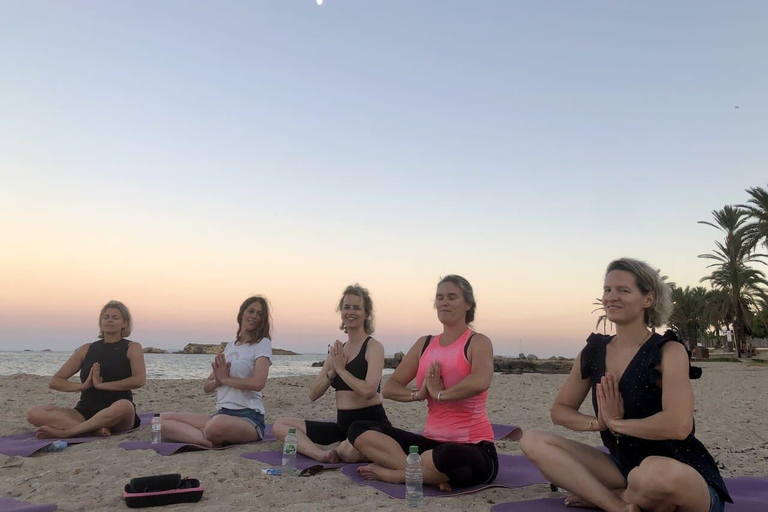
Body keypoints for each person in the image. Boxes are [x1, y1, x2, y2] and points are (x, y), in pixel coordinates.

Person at [520, 258, 732, 512]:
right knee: (532, 440)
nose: (612, 297)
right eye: (607, 290)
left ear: (648, 299)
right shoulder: (593, 351)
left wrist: (616, 424)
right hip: (622, 467)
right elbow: (560, 411)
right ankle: (616, 504)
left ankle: (612, 495)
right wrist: (597, 423)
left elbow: (679, 425)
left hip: (677, 471)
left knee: (650, 476)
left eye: (623, 290)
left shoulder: (668, 351)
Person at [347, 275, 497, 491]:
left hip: (472, 447)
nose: (444, 302)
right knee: (359, 429)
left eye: (452, 297)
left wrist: (440, 394)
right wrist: (419, 394)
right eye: (440, 297)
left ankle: (400, 475)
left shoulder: (478, 342)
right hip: (430, 444)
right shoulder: (424, 344)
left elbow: (481, 381)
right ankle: (421, 474)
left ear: (468, 304)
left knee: (448, 456)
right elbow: (390, 387)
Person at [273, 284, 390, 462]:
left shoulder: (373, 347)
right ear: (341, 312)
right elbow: (313, 394)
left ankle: (337, 448)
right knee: (280, 425)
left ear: (366, 314)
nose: (351, 312)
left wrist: (342, 370)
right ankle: (320, 453)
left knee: (350, 452)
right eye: (346, 307)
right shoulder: (337, 351)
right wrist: (333, 372)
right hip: (342, 425)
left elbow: (369, 391)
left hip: (370, 424)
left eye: (357, 308)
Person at [159, 296, 272, 447]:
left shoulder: (262, 343)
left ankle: (197, 434)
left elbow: (259, 383)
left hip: (248, 417)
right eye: (251, 311)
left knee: (215, 426)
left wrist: (225, 380)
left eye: (260, 314)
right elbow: (207, 386)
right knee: (160, 420)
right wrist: (218, 381)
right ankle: (207, 442)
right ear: (241, 314)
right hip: (222, 413)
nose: (254, 317)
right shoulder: (231, 346)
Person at [27, 300, 145, 438]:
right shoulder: (87, 349)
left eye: (115, 317)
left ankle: (68, 432)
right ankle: (94, 429)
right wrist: (82, 386)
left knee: (125, 406)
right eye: (106, 317)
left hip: (117, 414)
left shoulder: (132, 347)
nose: (109, 320)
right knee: (34, 412)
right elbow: (55, 381)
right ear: (101, 322)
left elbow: (139, 380)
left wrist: (103, 385)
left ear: (124, 323)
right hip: (85, 412)